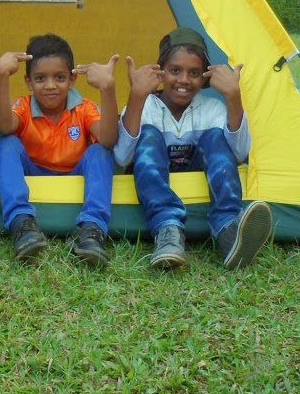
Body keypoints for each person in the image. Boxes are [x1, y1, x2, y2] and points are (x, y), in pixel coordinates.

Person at [113, 27, 273, 270]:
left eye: (194, 73)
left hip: (200, 167)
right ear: (160, 72)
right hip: (153, 184)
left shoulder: (211, 109)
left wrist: (233, 97)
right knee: (148, 135)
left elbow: (239, 154)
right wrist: (136, 96)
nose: (184, 80)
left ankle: (228, 228)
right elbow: (121, 157)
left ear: (204, 77)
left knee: (216, 138)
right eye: (175, 71)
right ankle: (168, 229)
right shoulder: (146, 106)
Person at [0, 33, 119, 266]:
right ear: (29, 82)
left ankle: (92, 229)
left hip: (74, 176)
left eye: (59, 77)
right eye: (40, 78)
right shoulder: (23, 106)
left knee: (100, 151)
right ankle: (22, 224)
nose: (50, 86)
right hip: (33, 176)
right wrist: (0, 75)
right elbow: (4, 126)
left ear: (72, 80)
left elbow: (109, 139)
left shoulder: (83, 108)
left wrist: (107, 88)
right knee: (6, 143)